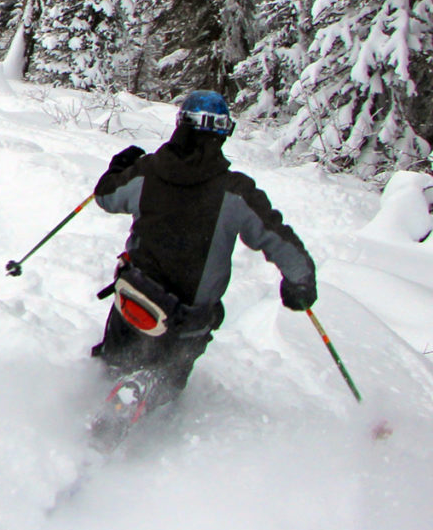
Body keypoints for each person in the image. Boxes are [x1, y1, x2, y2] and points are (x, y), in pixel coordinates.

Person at [87, 90, 318, 431]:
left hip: (134, 300)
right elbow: (275, 236)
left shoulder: (147, 173)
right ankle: (146, 387)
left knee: (115, 359)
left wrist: (119, 168)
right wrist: (300, 280)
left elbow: (106, 196)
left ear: (181, 124)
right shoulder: (235, 192)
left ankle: (104, 396)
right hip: (189, 320)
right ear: (223, 133)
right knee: (170, 377)